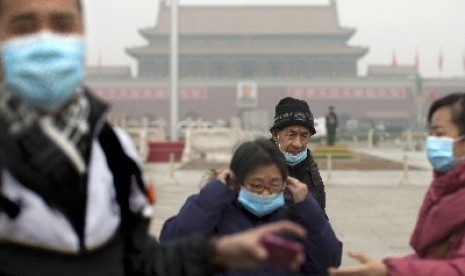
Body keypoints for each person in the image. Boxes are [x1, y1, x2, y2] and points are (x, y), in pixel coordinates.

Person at [0, 1, 307, 275]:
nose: (46, 40)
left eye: (63, 25)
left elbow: (138, 260)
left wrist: (218, 253)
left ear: (82, 33)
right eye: (23, 27)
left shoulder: (113, 150)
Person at [160, 138, 342, 276]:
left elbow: (327, 264)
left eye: (274, 184)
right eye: (256, 185)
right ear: (237, 180)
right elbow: (173, 248)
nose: (265, 192)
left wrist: (309, 209)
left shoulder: (296, 213)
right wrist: (213, 195)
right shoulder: (215, 209)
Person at [329, 92, 465, 276]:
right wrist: (386, 267)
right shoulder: (445, 186)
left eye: (440, 133)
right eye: (430, 133)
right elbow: (429, 256)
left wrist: (389, 270)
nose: (431, 141)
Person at [270, 97, 327, 215]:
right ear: (276, 135)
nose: (298, 144)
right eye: (291, 135)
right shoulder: (258, 168)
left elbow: (320, 219)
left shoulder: (311, 170)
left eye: (304, 136)